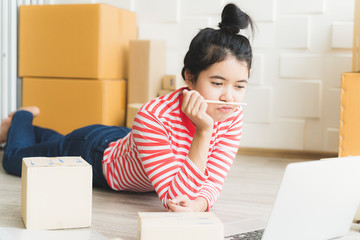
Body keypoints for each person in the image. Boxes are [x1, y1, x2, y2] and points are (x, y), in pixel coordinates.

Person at [0, 3, 254, 212]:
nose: (229, 97)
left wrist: (200, 204)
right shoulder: (153, 116)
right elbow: (175, 197)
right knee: (14, 160)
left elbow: (212, 181)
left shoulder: (231, 115)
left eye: (239, 86)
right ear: (189, 77)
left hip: (127, 144)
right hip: (94, 153)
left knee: (57, 143)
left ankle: (26, 128)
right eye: (218, 83)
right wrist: (203, 132)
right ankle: (21, 117)